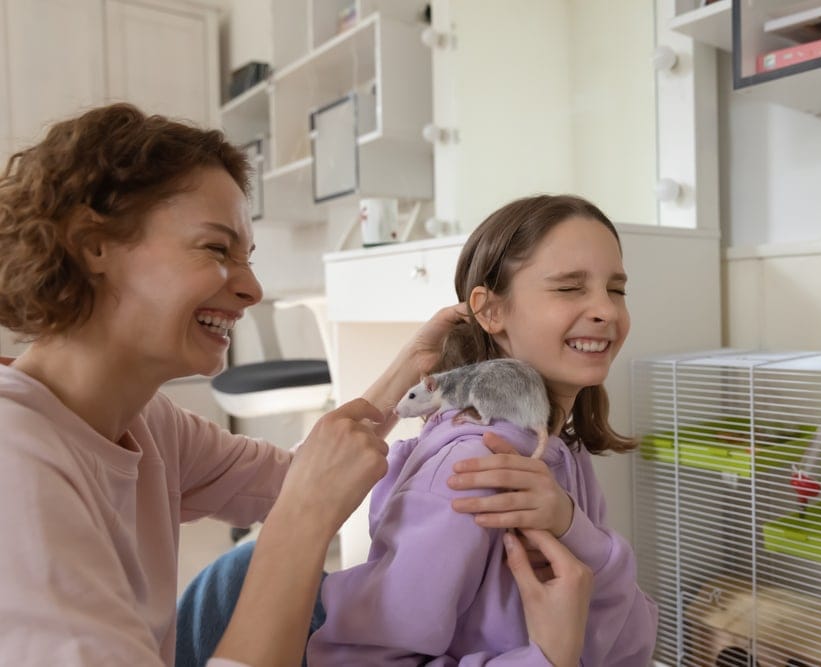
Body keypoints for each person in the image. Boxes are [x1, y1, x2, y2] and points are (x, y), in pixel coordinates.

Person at [0, 103, 593, 667]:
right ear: (92, 245)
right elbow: (302, 501)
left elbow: (293, 482)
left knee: (244, 570)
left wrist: (411, 373)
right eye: (216, 248)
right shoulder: (17, 464)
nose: (252, 289)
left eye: (248, 256)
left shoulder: (147, 423)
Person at [305, 194, 658, 664]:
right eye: (570, 288)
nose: (606, 310)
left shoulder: (561, 457)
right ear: (491, 312)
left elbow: (627, 643)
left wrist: (577, 531)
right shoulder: (468, 473)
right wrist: (546, 658)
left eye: (616, 290)